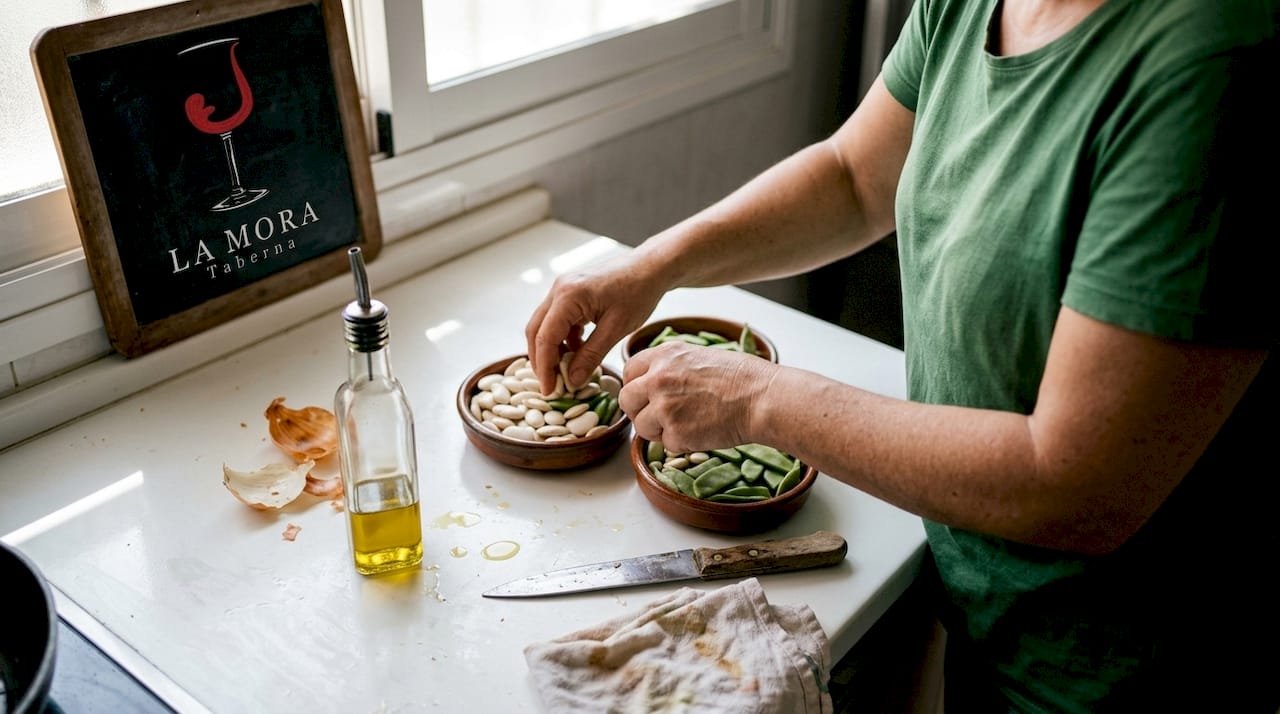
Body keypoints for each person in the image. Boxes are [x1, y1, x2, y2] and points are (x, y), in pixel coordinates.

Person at [525, 0, 1278, 711]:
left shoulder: (1217, 62)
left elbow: (1073, 484)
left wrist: (760, 400)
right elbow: (856, 177)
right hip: (984, 607)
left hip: (1120, 672)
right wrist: (654, 265)